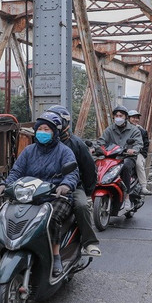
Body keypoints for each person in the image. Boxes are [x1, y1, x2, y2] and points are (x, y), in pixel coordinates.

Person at [0, 112, 78, 277]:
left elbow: (72, 173)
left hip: (55, 196)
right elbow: (16, 171)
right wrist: (4, 185)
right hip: (30, 196)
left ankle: (55, 256)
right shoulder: (28, 151)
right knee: (9, 215)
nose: (43, 132)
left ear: (54, 132)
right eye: (40, 129)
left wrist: (65, 185)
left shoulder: (64, 151)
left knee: (51, 218)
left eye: (47, 129)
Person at [48, 105, 101, 257]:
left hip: (73, 186)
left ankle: (89, 242)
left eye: (56, 122)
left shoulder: (77, 144)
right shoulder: (41, 144)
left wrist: (88, 192)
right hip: (45, 185)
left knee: (81, 206)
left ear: (65, 124)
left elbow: (90, 170)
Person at [95, 105, 143, 213]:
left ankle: (126, 197)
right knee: (98, 164)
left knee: (125, 166)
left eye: (120, 115)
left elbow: (139, 143)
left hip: (127, 157)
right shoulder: (110, 129)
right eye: (116, 116)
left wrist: (133, 149)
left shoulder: (134, 130)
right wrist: (97, 148)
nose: (118, 118)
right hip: (112, 157)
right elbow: (101, 141)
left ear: (125, 117)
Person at [127, 109, 152, 195]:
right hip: (122, 152)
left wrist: (142, 153)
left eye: (137, 118)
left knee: (138, 164)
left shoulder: (142, 130)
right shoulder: (122, 128)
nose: (135, 119)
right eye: (133, 117)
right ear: (128, 118)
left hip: (137, 153)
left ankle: (143, 186)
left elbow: (145, 144)